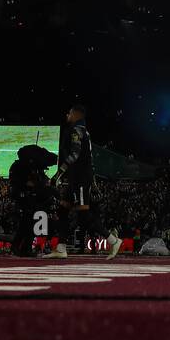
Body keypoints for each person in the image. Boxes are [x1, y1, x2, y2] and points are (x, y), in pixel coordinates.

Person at [44, 104, 122, 260]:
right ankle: (61, 248)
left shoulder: (76, 130)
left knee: (84, 215)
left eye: (69, 113)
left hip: (79, 178)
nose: (67, 115)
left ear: (75, 115)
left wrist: (58, 174)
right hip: (77, 178)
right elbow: (88, 158)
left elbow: (74, 154)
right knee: (63, 210)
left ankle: (113, 240)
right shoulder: (83, 130)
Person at [9, 144, 57, 257]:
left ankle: (25, 247)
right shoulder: (20, 167)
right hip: (24, 198)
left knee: (30, 223)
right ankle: (18, 246)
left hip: (33, 200)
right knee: (27, 223)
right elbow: (17, 183)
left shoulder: (33, 168)